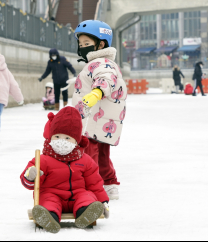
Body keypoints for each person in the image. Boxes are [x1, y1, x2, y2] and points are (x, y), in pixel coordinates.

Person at [20, 107, 109, 233]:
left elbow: (94, 184)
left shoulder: (85, 160)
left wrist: (103, 202)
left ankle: (87, 212)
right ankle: (48, 217)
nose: (61, 141)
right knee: (47, 200)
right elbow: (30, 184)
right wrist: (30, 176)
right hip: (52, 194)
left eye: (67, 138)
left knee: (87, 196)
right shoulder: (43, 160)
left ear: (76, 140)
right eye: (57, 136)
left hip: (77, 195)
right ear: (50, 137)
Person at [72, 20, 127, 200]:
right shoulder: (101, 62)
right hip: (101, 119)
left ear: (101, 44)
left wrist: (97, 93)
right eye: (80, 44)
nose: (82, 48)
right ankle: (110, 185)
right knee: (102, 155)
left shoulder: (101, 63)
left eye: (86, 44)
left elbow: (106, 79)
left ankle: (90, 189)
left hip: (94, 118)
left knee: (90, 157)